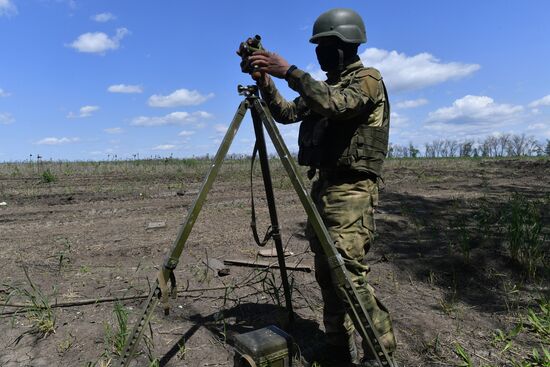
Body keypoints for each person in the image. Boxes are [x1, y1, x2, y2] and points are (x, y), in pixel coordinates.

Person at [249, 8, 396, 366]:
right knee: (327, 274)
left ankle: (379, 353)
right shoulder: (323, 88)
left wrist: (291, 72)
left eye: (326, 45)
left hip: (352, 192)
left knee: (347, 273)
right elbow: (286, 113)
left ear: (346, 46)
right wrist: (266, 80)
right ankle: (336, 344)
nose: (321, 53)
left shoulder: (367, 80)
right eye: (318, 46)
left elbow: (338, 105)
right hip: (325, 189)